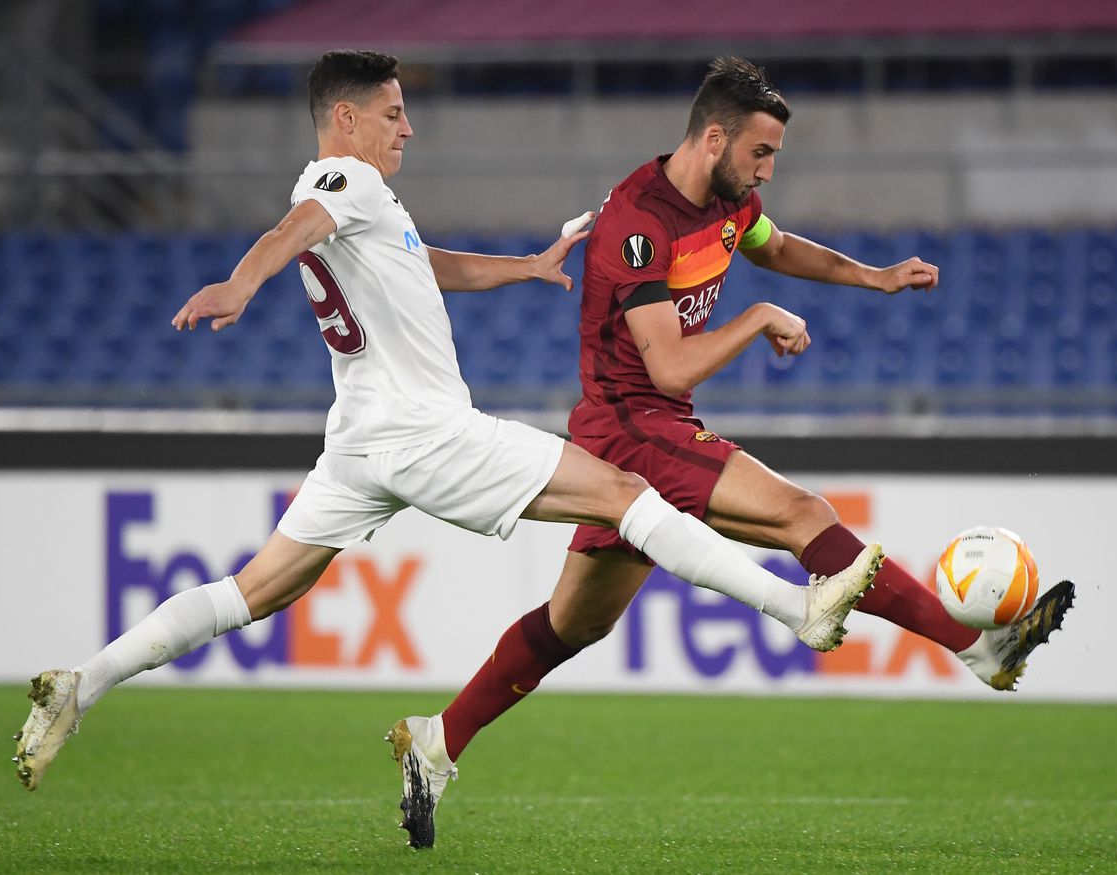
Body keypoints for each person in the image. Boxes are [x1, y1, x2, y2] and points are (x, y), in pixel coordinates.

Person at [12, 50, 886, 821]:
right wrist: (241, 283)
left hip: (357, 438)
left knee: (254, 591)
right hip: (423, 429)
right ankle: (793, 607)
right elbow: (293, 231)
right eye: (394, 113)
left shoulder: (367, 203)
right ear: (345, 119)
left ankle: (83, 684)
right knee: (628, 494)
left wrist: (525, 268)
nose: (409, 128)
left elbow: (417, 263)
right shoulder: (338, 182)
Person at [391, 57, 1076, 847]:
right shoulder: (638, 224)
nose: (768, 171)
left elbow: (775, 246)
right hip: (632, 425)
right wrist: (756, 319)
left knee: (569, 627)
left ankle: (435, 741)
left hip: (645, 428)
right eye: (760, 153)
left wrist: (873, 277)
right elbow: (670, 367)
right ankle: (979, 646)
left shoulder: (728, 201)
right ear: (713, 136)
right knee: (803, 515)